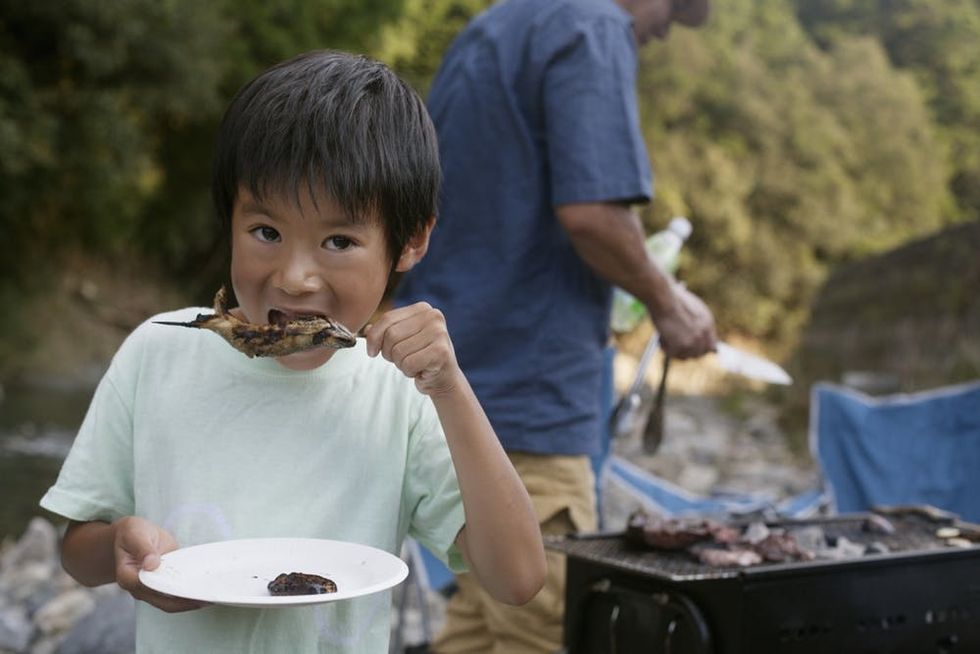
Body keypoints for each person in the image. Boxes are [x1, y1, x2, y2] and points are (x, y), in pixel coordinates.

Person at [39, 50, 545, 654]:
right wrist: (121, 542)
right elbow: (78, 549)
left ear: (410, 243)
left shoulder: (401, 390)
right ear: (229, 218)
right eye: (266, 232)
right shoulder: (158, 352)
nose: (296, 277)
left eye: (339, 240)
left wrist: (451, 389)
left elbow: (517, 579)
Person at [394, 0, 717, 651]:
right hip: (528, 403)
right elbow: (593, 212)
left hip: (451, 395)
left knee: (477, 625)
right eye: (672, 14)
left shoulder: (490, 29)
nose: (658, 34)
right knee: (541, 626)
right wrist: (670, 302)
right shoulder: (594, 26)